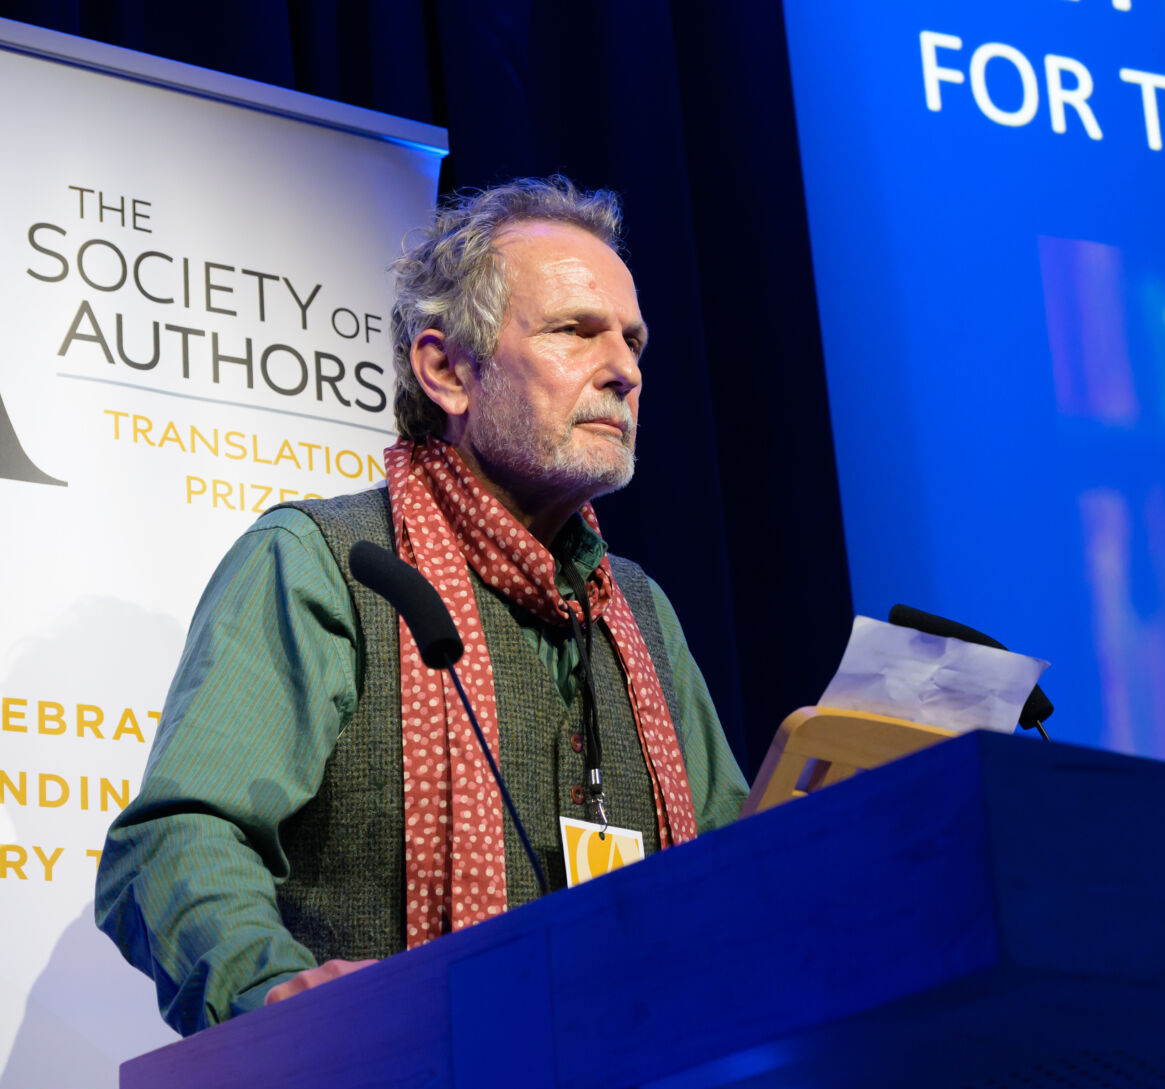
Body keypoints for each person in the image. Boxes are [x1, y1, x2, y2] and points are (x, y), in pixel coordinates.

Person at [96, 176, 748, 1043]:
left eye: (632, 341)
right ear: (446, 370)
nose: (624, 370)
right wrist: (276, 997)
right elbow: (182, 836)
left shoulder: (641, 612)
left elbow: (739, 873)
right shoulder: (324, 563)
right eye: (574, 331)